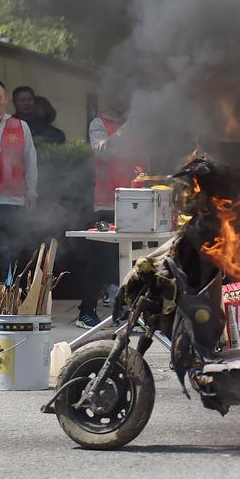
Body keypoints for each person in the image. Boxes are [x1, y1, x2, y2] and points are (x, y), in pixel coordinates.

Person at [76, 104, 145, 327]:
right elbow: (104, 151)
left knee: (137, 260)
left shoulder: (141, 120)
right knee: (101, 261)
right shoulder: (99, 124)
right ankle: (86, 312)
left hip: (138, 200)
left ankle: (131, 311)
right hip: (106, 201)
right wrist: (127, 128)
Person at [0, 79, 39, 310]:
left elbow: (30, 161)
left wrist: (31, 191)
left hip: (14, 198)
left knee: (16, 249)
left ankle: (13, 294)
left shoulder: (20, 126)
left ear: (6, 100)